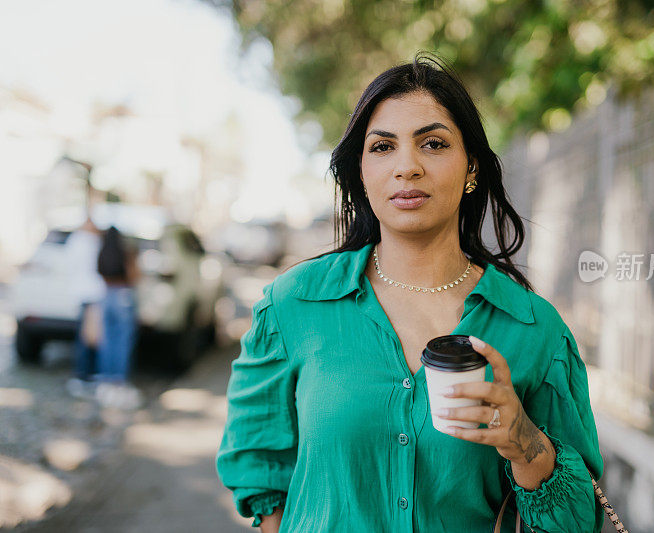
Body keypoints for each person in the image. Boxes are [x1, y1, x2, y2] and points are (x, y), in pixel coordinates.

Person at [216, 54, 604, 532]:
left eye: (434, 143)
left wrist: (521, 437)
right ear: (360, 171)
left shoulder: (533, 329)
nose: (407, 167)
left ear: (472, 170)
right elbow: (262, 476)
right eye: (382, 147)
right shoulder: (293, 305)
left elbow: (578, 521)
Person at [94, 225, 142, 410]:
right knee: (123, 340)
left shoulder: (103, 251)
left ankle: (106, 378)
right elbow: (134, 275)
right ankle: (119, 380)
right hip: (123, 294)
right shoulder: (125, 252)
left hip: (106, 294)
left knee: (107, 339)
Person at [64, 215, 106, 399]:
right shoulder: (93, 241)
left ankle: (85, 373)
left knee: (86, 335)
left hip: (83, 292)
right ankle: (88, 372)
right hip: (94, 292)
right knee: (91, 336)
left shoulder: (75, 241)